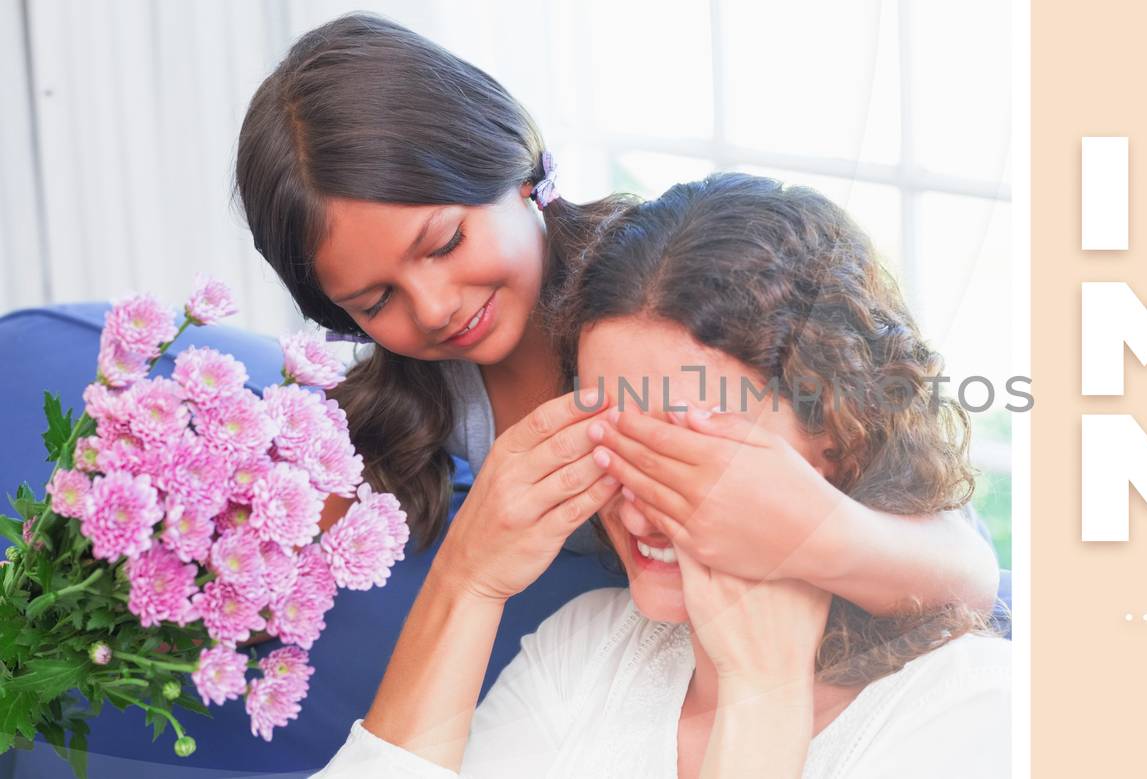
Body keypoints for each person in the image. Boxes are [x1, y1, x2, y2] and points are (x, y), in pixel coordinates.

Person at [234, 13, 997, 638]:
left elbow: (966, 566)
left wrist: (801, 524)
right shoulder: (414, 399)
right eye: (375, 303)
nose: (433, 307)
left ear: (519, 171)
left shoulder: (667, 287)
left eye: (444, 243)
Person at [315, 172, 1011, 778]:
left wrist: (762, 696)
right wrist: (467, 579)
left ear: (839, 432)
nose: (642, 514)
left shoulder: (978, 709)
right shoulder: (586, 650)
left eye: (690, 451)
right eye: (615, 442)